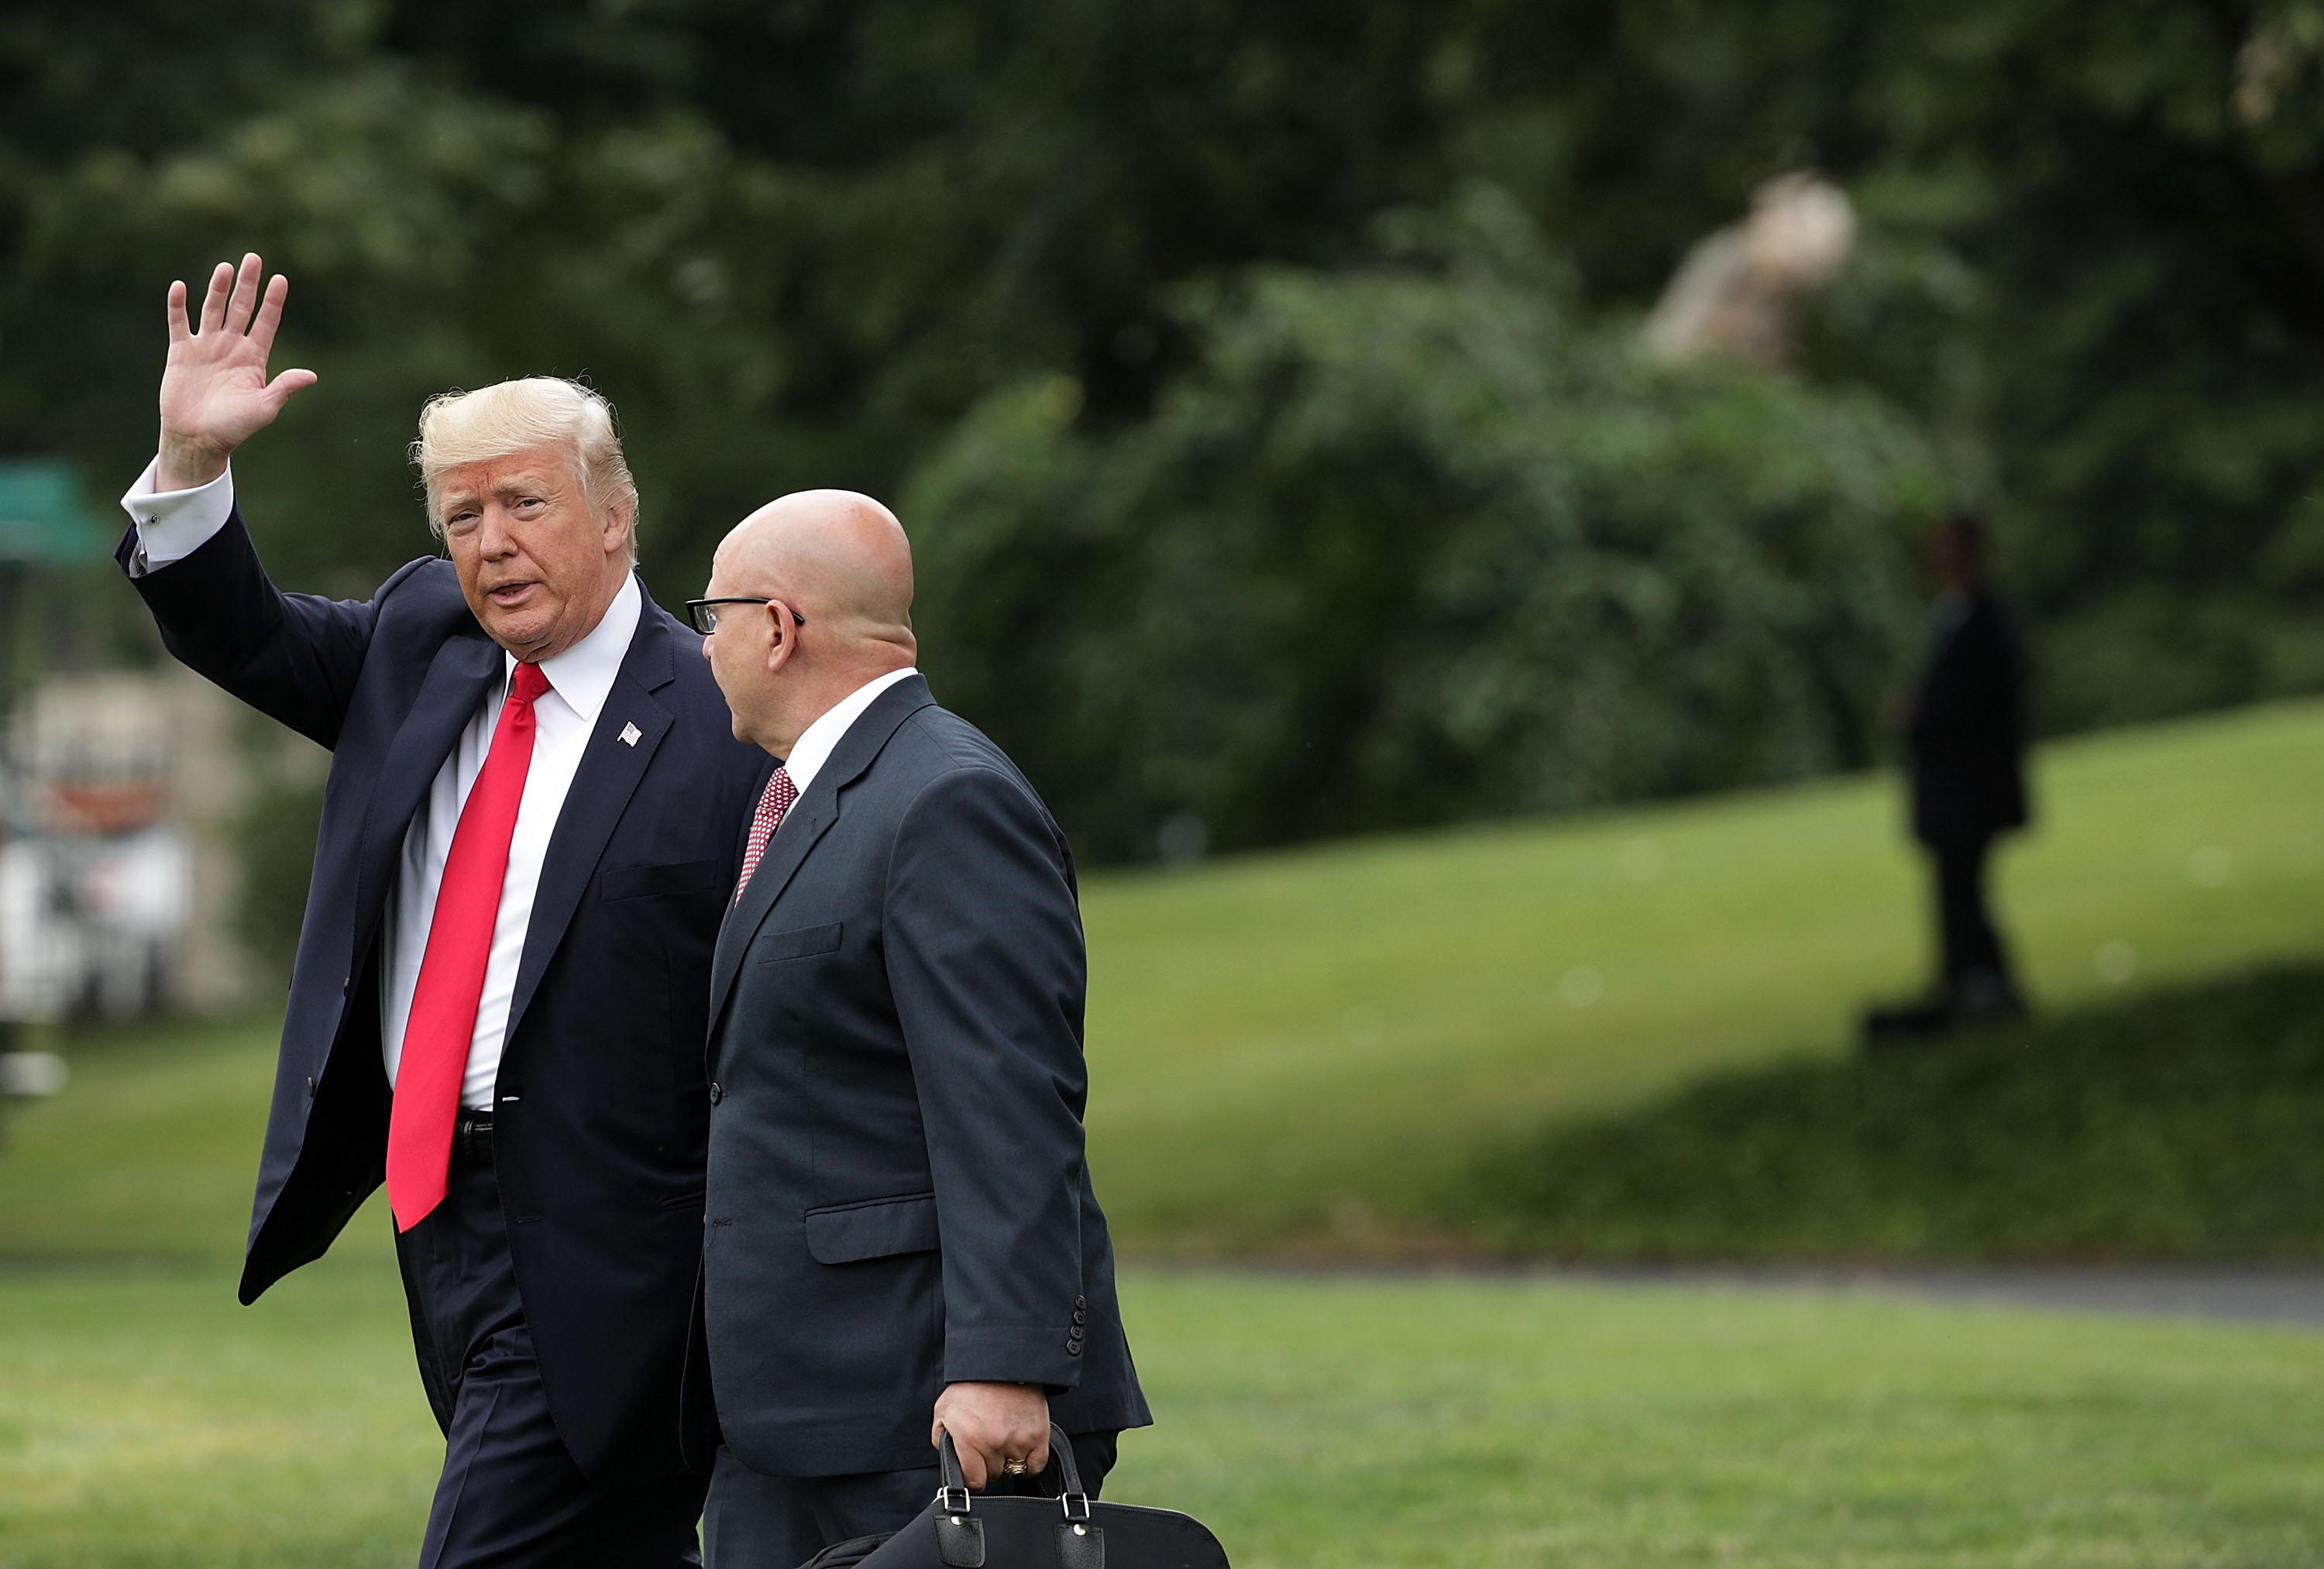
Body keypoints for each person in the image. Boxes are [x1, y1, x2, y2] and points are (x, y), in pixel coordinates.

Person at [115, 255, 771, 1567]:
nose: (491, 544)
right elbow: (235, 629)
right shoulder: (423, 643)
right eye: (463, 515)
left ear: (616, 517)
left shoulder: (726, 715)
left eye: (524, 503)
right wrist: (190, 454)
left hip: (620, 1242)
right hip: (438, 1216)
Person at [686, 489, 1150, 1566]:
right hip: (794, 1406)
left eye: (713, 615)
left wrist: (1005, 1363)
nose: (704, 645)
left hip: (924, 1412)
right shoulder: (822, 795)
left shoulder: (945, 799)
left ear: (777, 624)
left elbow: (1010, 1101)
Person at [1866, 512, 2031, 1044]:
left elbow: (1978, 708)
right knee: (1958, 893)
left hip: (1969, 791)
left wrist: (1919, 715)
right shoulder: (1957, 617)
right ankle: (1971, 987)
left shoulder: (1982, 621)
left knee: (1964, 892)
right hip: (1956, 791)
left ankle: (1978, 989)